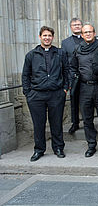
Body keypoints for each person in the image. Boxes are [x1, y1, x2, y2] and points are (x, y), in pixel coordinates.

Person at [22, 26, 69, 161]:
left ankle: (58, 147)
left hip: (56, 94)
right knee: (38, 124)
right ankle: (39, 149)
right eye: (44, 35)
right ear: (40, 37)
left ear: (52, 37)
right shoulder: (31, 55)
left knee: (56, 123)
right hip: (36, 95)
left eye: (49, 36)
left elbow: (66, 72)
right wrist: (28, 93)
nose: (47, 38)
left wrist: (65, 88)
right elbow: (25, 75)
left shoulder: (60, 53)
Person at [70, 23, 98, 157]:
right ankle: (91, 145)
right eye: (85, 32)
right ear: (82, 35)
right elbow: (72, 67)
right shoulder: (77, 49)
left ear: (94, 32)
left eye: (90, 32)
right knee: (87, 118)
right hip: (84, 87)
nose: (88, 34)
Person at [61, 18, 83, 134]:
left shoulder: (88, 38)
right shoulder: (65, 42)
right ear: (71, 27)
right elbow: (64, 61)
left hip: (87, 75)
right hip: (73, 76)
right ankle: (75, 123)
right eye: (74, 25)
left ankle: (89, 122)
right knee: (74, 100)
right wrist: (67, 80)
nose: (77, 26)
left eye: (79, 24)